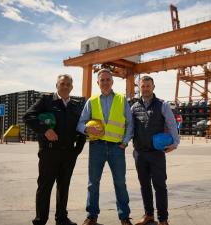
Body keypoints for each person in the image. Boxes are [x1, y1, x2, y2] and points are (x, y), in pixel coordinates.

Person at [23, 74, 87, 225]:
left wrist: (78, 149)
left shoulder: (76, 106)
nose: (65, 86)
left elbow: (82, 126)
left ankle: (62, 218)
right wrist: (44, 129)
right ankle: (41, 219)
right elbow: (28, 116)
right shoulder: (46, 101)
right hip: (49, 152)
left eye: (67, 84)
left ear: (71, 87)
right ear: (56, 85)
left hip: (68, 153)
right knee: (45, 186)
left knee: (63, 187)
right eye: (62, 83)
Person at [76, 69, 133, 225]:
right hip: (97, 147)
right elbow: (80, 123)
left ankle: (124, 217)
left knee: (120, 182)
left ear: (112, 82)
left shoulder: (122, 100)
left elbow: (130, 123)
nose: (105, 82)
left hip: (117, 148)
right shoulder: (92, 101)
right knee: (93, 183)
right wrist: (87, 129)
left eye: (108, 79)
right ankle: (92, 215)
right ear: (98, 83)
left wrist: (126, 141)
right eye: (102, 80)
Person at [131, 76, 180, 225]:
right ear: (139, 88)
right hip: (139, 152)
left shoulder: (162, 105)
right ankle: (148, 215)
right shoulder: (134, 107)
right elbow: (130, 128)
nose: (145, 88)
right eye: (143, 86)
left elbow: (172, 124)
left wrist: (175, 143)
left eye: (148, 86)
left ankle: (163, 219)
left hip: (156, 154)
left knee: (159, 186)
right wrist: (124, 142)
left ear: (153, 87)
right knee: (144, 185)